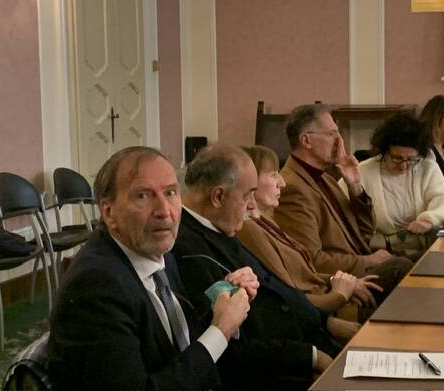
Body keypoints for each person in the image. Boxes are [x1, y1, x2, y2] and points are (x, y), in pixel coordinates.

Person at [47, 146, 251, 391]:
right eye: (143, 196)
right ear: (109, 212)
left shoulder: (158, 250)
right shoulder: (95, 285)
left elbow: (178, 345)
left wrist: (224, 298)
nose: (164, 211)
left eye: (171, 193)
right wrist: (221, 330)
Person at [173, 144, 344, 390]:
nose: (253, 205)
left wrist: (326, 321)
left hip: (311, 340)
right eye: (247, 195)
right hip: (287, 369)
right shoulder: (188, 250)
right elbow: (228, 350)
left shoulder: (217, 226)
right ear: (218, 196)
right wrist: (311, 357)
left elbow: (275, 286)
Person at [274, 104, 413, 297]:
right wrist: (369, 261)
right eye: (332, 134)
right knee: (401, 268)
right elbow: (310, 260)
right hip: (342, 285)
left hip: (358, 263)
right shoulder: (293, 188)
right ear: (306, 140)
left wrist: (355, 186)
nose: (340, 141)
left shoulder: (326, 178)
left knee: (424, 259)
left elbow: (363, 233)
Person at [237, 145, 382, 321]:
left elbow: (363, 233)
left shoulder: (266, 219)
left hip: (333, 290)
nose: (282, 182)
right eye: (273, 174)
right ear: (250, 183)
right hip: (326, 310)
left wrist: (341, 282)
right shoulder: (250, 228)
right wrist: (340, 294)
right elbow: (289, 291)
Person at [345, 114, 444, 257]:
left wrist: (429, 220)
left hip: (422, 249)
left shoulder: (428, 168)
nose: (403, 166)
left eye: (411, 159)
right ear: (385, 151)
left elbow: (443, 201)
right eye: (397, 158)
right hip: (377, 252)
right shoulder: (364, 170)